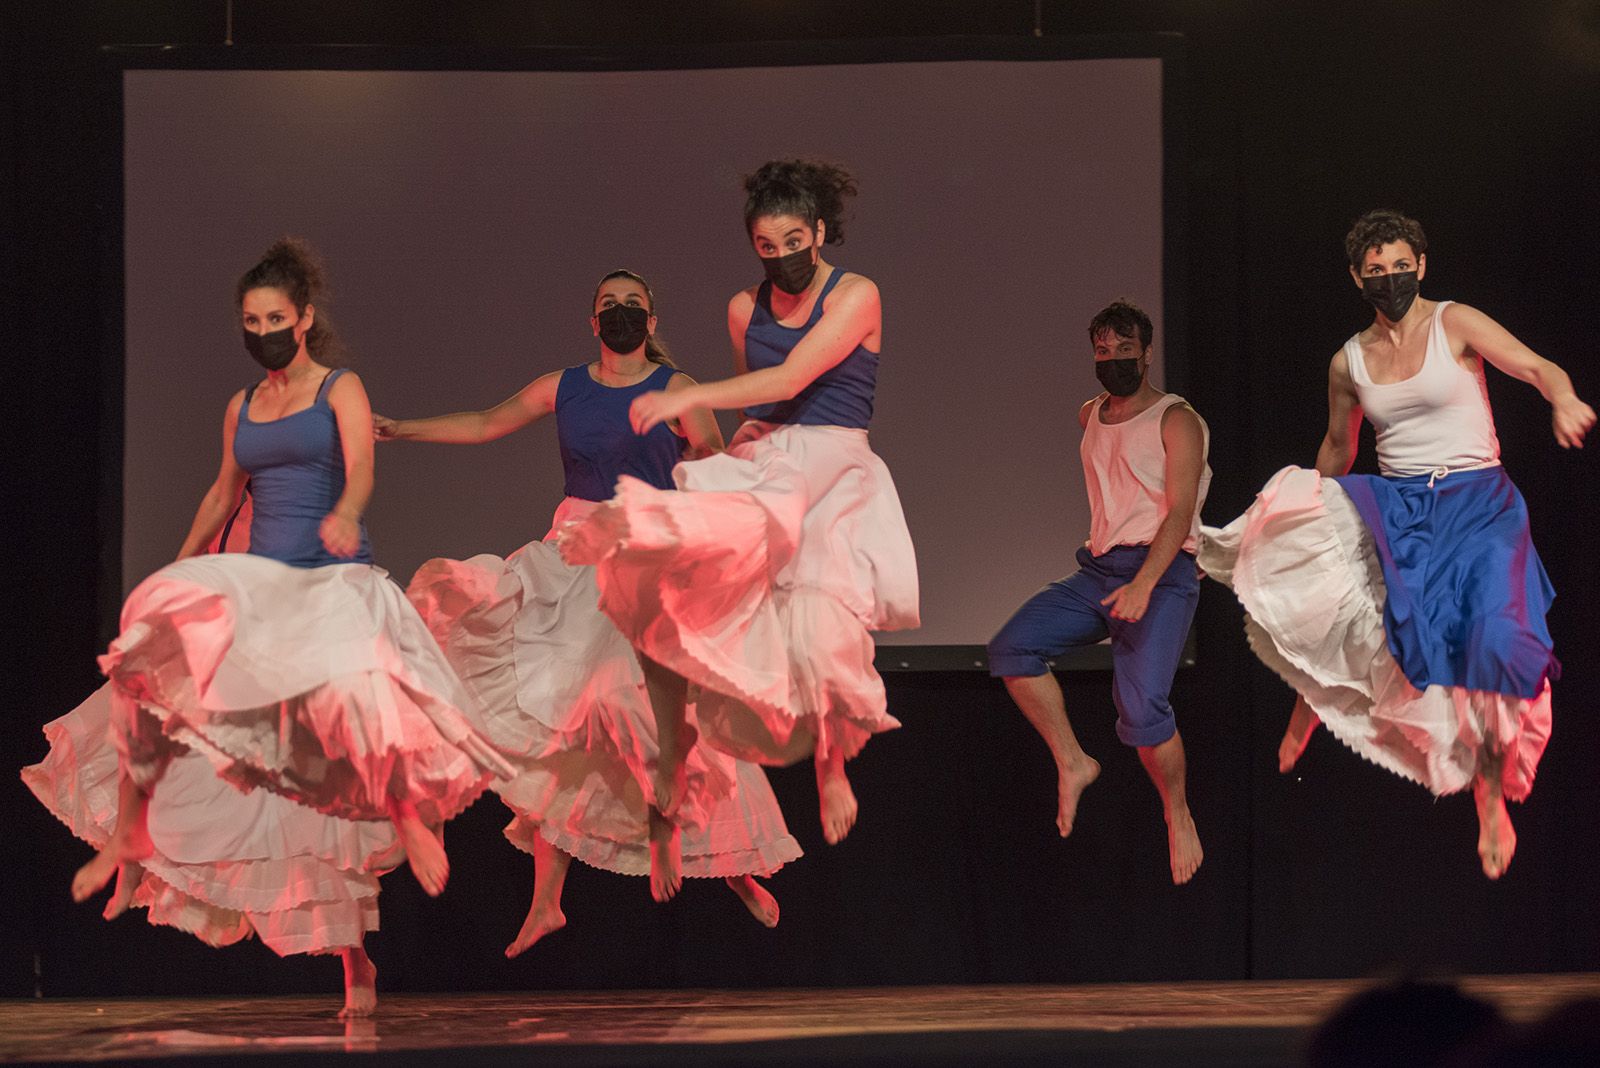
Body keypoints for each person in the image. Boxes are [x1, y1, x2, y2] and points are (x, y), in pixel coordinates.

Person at [47, 237, 513, 1013]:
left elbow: (362, 465)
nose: (261, 329)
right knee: (153, 674)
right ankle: (136, 837)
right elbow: (224, 491)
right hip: (266, 587)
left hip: (334, 576)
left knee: (359, 706)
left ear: (302, 320)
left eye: (274, 316)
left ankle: (406, 827)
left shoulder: (340, 388)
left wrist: (346, 510)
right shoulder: (243, 406)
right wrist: (183, 560)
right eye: (249, 319)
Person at [375, 269, 798, 952]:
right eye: (610, 305)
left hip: (644, 550)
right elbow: (488, 422)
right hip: (573, 554)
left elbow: (712, 453)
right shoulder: (564, 385)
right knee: (561, 716)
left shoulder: (678, 387)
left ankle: (729, 868)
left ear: (652, 321)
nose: (622, 313)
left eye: (634, 305)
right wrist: (401, 430)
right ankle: (548, 901)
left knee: (645, 704)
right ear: (593, 321)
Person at [1200, 210, 1593, 878]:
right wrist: (1300, 518)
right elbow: (1337, 447)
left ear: (1422, 265)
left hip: (1482, 505)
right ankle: (1312, 701)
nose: (1391, 280)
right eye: (1376, 271)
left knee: (1498, 643)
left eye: (1401, 267)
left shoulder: (1454, 323)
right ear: (1357, 278)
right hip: (1406, 506)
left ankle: (1490, 795)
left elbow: (1534, 365)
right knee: (1372, 620)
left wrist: (1563, 398)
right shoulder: (1348, 361)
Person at [561, 161, 920, 845]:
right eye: (766, 245)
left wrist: (688, 396)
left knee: (819, 625)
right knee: (678, 585)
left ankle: (830, 767)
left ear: (819, 232)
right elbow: (761, 395)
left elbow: (791, 373)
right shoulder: (742, 308)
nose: (781, 256)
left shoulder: (858, 294)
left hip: (834, 468)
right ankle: (676, 736)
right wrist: (713, 453)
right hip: (767, 458)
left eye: (793, 240)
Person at [986, 301, 1210, 885]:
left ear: (1148, 350)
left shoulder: (1176, 419)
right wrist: (1119, 575)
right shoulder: (1090, 414)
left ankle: (1177, 810)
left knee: (1140, 711)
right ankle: (1072, 759)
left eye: (1124, 349)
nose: (1112, 360)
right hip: (1100, 569)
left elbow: (1181, 509)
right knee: (1012, 648)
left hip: (1161, 572)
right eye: (1102, 352)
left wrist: (1145, 582)